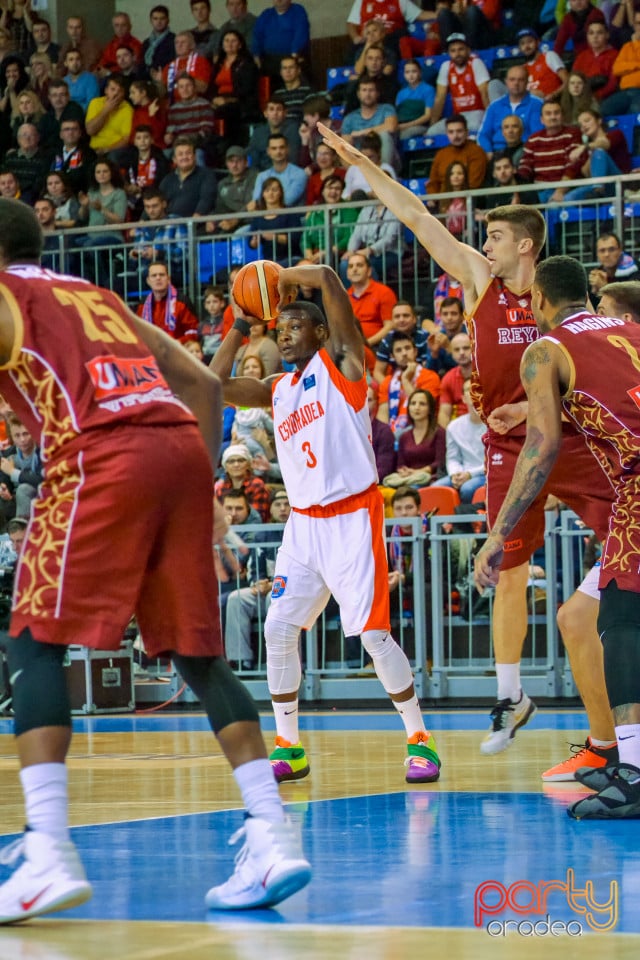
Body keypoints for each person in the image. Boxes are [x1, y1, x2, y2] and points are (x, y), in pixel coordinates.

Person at [0, 197, 311, 919]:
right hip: (177, 450)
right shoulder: (94, 295)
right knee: (197, 655)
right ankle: (271, 834)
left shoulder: (8, 296)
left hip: (102, 455)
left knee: (32, 641)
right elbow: (201, 382)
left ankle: (45, 848)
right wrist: (202, 495)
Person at [318, 127, 616, 777]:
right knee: (508, 563)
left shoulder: (562, 298)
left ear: (528, 247)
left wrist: (540, 408)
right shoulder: (481, 281)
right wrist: (366, 165)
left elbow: (594, 372)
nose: (483, 243)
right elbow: (420, 217)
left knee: (621, 554)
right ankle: (510, 695)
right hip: (513, 441)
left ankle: (615, 713)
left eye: (497, 236)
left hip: (576, 434)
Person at [211, 262, 442, 785]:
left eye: (296, 325)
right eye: (281, 326)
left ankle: (420, 739)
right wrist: (244, 323)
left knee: (375, 636)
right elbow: (216, 384)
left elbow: (333, 286)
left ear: (320, 332)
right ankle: (289, 746)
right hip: (304, 524)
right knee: (277, 627)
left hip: (352, 516)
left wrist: (298, 273)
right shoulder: (278, 387)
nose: (285, 333)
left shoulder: (344, 368)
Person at [474, 254, 640, 818]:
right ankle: (607, 749)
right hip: (628, 500)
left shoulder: (543, 350)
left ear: (539, 302)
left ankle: (633, 773)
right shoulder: (629, 329)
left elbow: (541, 448)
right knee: (579, 617)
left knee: (622, 620)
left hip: (637, 488)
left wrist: (498, 533)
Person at [225, 489, 292, 671]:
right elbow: (255, 567)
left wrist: (273, 585)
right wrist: (257, 582)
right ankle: (240, 661)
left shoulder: (303, 533)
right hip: (267, 588)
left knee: (275, 597)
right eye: (278, 505)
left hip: (295, 593)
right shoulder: (263, 534)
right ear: (270, 509)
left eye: (287, 504)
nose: (283, 509)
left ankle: (283, 662)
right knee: (236, 598)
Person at [427, 33, 491, 136]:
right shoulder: (446, 67)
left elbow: (485, 94)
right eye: (453, 51)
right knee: (432, 132)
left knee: (473, 127)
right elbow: (440, 98)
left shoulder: (476, 63)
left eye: (461, 49)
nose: (457, 54)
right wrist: (432, 124)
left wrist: (490, 120)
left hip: (477, 112)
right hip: (458, 116)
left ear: (468, 50)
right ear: (448, 53)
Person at [433, 379, 486, 501]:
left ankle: (468, 520)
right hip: (461, 473)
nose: (473, 392)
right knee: (435, 488)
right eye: (469, 389)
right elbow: (452, 458)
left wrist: (469, 474)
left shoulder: (494, 424)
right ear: (463, 398)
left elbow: (494, 460)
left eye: (477, 388)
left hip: (485, 474)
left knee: (467, 489)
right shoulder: (454, 426)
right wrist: (454, 475)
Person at [562, 108, 631, 201]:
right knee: (568, 198)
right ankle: (597, 191)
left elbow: (604, 144)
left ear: (599, 120)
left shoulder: (616, 134)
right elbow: (586, 173)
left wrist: (585, 147)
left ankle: (598, 189)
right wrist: (590, 154)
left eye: (587, 121)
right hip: (594, 187)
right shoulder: (587, 149)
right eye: (580, 125)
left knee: (599, 152)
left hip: (618, 185)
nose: (584, 126)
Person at [377, 334, 441, 433]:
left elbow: (425, 410)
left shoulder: (430, 377)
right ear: (392, 356)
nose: (404, 353)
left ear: (415, 352)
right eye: (398, 350)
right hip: (392, 436)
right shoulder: (387, 382)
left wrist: (405, 380)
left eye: (407, 348)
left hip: (421, 433)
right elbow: (382, 416)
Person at [476, 66, 543, 160]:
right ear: (506, 82)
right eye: (512, 79)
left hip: (526, 154)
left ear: (527, 82)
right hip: (497, 153)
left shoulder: (537, 104)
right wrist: (488, 151)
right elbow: (483, 135)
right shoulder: (494, 106)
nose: (516, 83)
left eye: (521, 80)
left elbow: (539, 135)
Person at [383, 389, 445, 488]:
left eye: (422, 404)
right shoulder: (404, 436)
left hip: (429, 478)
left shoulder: (439, 432)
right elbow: (400, 464)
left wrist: (418, 472)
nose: (416, 408)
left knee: (410, 489)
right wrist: (403, 471)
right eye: (413, 403)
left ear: (430, 409)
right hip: (408, 477)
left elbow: (439, 462)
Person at [210, 29, 260, 143]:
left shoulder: (247, 64)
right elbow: (211, 88)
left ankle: (225, 144)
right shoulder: (219, 64)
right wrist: (214, 100)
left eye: (233, 41)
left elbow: (247, 89)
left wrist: (227, 100)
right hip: (219, 101)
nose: (229, 44)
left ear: (240, 44)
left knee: (223, 111)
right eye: (226, 41)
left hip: (241, 103)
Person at [426, 114, 487, 198]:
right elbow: (433, 182)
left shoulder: (477, 152)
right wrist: (432, 198)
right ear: (446, 134)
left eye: (459, 131)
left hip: (469, 201)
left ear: (466, 132)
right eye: (451, 132)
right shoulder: (441, 154)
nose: (455, 136)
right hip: (442, 203)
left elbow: (473, 184)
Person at [136, 261, 199, 341]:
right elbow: (138, 332)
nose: (158, 278)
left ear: (168, 279)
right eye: (154, 275)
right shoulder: (143, 304)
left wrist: (175, 344)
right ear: (148, 281)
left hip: (177, 350)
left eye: (162, 275)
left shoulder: (182, 301)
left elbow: (193, 331)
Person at [251, 0, 311, 82]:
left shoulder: (297, 11)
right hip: (269, 60)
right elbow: (257, 35)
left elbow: (301, 33)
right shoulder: (266, 14)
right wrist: (256, 55)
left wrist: (294, 55)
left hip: (292, 57)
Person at [248, 176, 300, 266]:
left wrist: (275, 237)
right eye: (267, 190)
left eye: (274, 190)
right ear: (263, 194)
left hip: (291, 259)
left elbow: (295, 238)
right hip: (268, 262)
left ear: (280, 193)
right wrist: (254, 241)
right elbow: (251, 244)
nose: (270, 193)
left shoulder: (290, 212)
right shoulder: (258, 217)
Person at [206, 146, 258, 236]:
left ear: (246, 163)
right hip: (230, 223)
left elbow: (252, 205)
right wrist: (212, 221)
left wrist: (235, 220)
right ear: (227, 164)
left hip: (251, 222)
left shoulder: (256, 178)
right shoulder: (222, 184)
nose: (234, 165)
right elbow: (220, 210)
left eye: (238, 161)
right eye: (231, 161)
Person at [214, 443, 271, 522]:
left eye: (241, 460)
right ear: (225, 467)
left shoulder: (257, 485)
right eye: (231, 461)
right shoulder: (220, 488)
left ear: (248, 464)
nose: (236, 464)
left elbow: (258, 517)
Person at [251, 133, 308, 208]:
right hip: (266, 216)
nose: (278, 152)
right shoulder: (262, 176)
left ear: (288, 149)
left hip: (292, 217)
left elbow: (287, 201)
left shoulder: (300, 174)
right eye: (274, 148)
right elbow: (256, 202)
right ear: (268, 151)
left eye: (282, 147)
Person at [570, 20, 619, 104]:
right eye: (591, 33)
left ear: (607, 35)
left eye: (599, 33)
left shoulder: (615, 55)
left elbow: (613, 83)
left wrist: (597, 96)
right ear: (587, 37)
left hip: (604, 99)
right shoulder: (582, 56)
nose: (595, 37)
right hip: (580, 96)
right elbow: (573, 78)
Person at [84, 75, 133, 158]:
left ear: (124, 94)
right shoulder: (95, 103)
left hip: (115, 151)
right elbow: (90, 131)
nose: (115, 94)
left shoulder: (127, 109)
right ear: (106, 90)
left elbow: (126, 140)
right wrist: (106, 111)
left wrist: (107, 149)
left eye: (120, 91)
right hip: (94, 149)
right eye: (113, 89)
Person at [588, 232, 640, 308]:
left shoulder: (635, 269)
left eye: (611, 249)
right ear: (597, 254)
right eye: (602, 250)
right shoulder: (596, 276)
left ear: (620, 250)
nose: (607, 254)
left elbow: (631, 306)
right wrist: (593, 292)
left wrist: (605, 288)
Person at [517, 27, 567, 101]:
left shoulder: (549, 56)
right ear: (520, 48)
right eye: (522, 43)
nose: (526, 46)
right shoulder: (522, 69)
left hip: (553, 103)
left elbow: (567, 81)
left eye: (530, 41)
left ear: (538, 42)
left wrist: (554, 94)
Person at [437, 331, 473, 428]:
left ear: (474, 348)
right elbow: (444, 413)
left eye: (466, 348)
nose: (461, 353)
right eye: (457, 350)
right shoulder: (448, 378)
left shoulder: (486, 374)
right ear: (452, 353)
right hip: (459, 428)